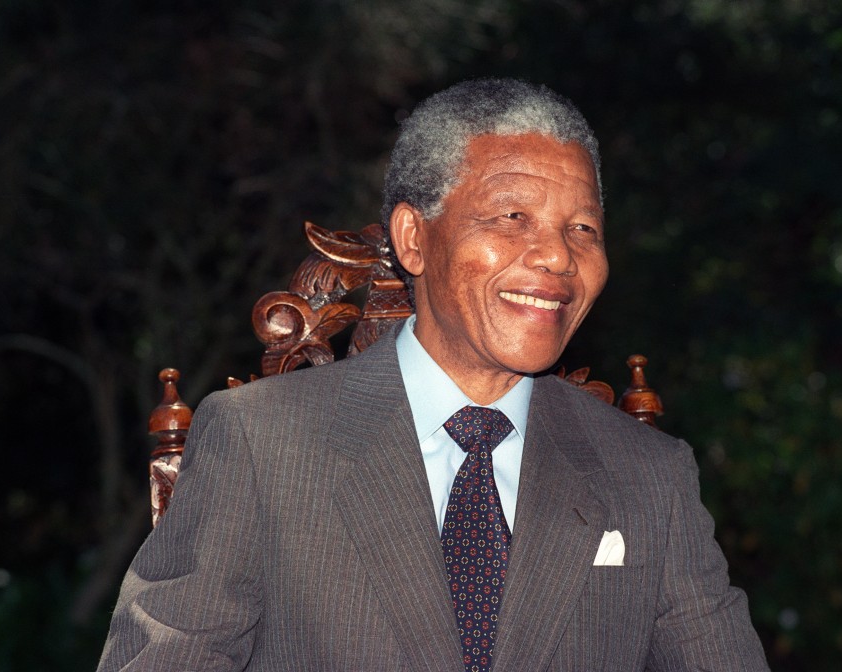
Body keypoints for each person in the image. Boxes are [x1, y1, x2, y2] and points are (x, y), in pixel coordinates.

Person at [98, 78, 769, 671]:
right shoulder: (264, 444)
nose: (559, 258)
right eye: (514, 218)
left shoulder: (647, 476)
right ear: (414, 240)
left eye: (584, 228)